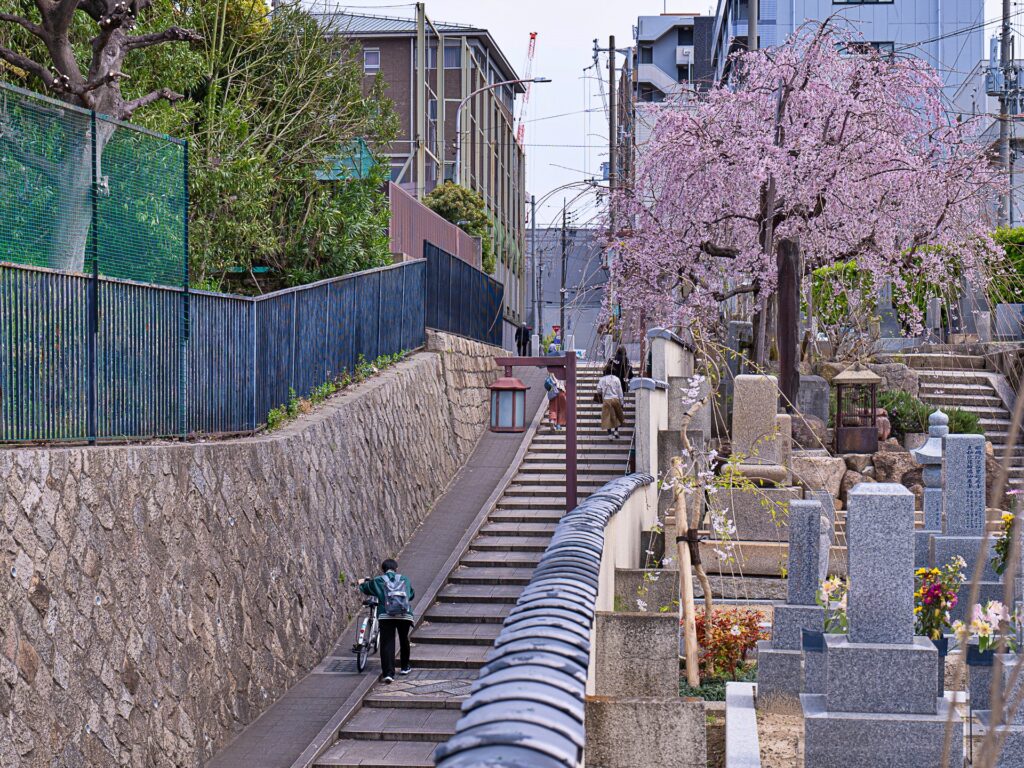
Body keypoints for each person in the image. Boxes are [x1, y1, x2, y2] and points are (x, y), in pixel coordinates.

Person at [359, 558, 414, 683]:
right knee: (404, 639)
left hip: (385, 614)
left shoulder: (378, 580)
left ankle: (389, 673)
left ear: (382, 569)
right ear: (396, 568)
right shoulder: (404, 579)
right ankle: (405, 667)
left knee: (387, 642)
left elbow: (365, 588)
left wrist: (361, 581)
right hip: (404, 614)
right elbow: (410, 595)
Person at [597, 362, 625, 438]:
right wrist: (622, 402)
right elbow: (620, 392)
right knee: (616, 415)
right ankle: (616, 431)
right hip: (615, 399)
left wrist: (602, 393)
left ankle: (609, 434)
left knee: (607, 417)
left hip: (606, 400)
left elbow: (598, 390)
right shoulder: (616, 379)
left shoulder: (602, 379)